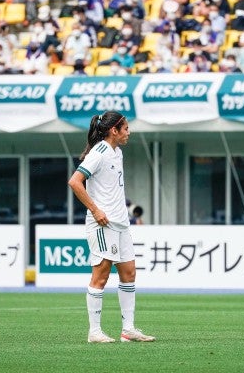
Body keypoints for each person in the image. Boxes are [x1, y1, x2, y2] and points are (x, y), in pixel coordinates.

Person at [68, 112, 155, 344]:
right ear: (114, 130)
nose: (129, 131)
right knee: (101, 276)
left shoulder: (118, 152)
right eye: (125, 128)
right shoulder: (99, 153)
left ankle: (128, 330)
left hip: (121, 223)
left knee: (129, 273)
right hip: (102, 224)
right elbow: (75, 181)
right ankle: (94, 331)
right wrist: (96, 210)